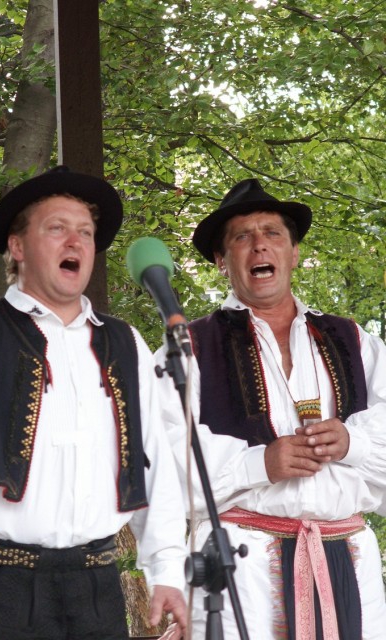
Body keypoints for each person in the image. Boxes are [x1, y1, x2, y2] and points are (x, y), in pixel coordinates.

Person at [0, 165, 188, 640]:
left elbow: (155, 462)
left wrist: (168, 570)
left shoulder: (125, 342)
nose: (75, 242)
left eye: (86, 232)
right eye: (57, 228)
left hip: (97, 587)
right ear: (17, 247)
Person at [155, 178, 386, 640]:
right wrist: (260, 464)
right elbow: (160, 468)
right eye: (242, 237)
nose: (259, 244)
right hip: (240, 570)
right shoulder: (189, 348)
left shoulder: (354, 341)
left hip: (352, 564)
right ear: (222, 261)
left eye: (273, 233)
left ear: (293, 253)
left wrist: (352, 443)